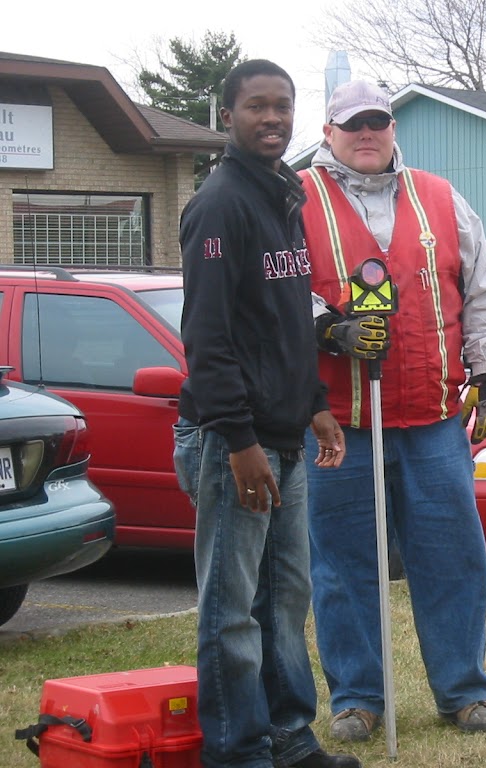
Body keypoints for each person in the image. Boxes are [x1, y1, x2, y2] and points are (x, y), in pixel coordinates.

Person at [298, 79, 486, 742]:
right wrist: (326, 329)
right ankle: (357, 698)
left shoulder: (441, 197)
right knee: (342, 564)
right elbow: (271, 285)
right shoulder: (296, 198)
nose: (366, 134)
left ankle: (464, 690)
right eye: (352, 124)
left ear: (392, 128)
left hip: (432, 417)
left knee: (452, 555)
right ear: (330, 132)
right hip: (340, 422)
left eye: (377, 122)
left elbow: (485, 287)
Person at [173, 59, 360, 768]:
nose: (272, 118)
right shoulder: (220, 204)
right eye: (257, 106)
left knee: (284, 602)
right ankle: (238, 752)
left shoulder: (283, 195)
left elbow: (284, 320)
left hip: (285, 435)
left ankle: (290, 740)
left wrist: (314, 405)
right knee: (231, 613)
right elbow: (209, 339)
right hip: (233, 442)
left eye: (282, 106)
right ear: (228, 115)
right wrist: (240, 441)